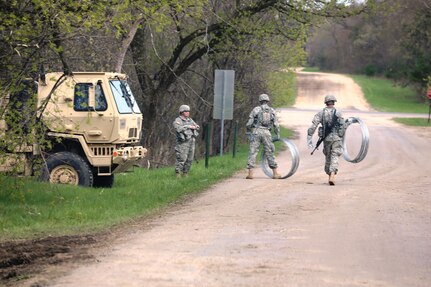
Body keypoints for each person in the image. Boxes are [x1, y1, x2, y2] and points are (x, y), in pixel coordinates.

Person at [307, 95, 346, 185]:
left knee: (328, 157)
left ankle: (329, 175)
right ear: (334, 102)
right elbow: (343, 126)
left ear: (326, 102)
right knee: (335, 155)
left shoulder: (321, 113)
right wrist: (340, 135)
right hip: (336, 138)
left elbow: (313, 125)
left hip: (326, 139)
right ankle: (332, 174)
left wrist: (309, 135)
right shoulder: (338, 113)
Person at [245, 93, 281, 179]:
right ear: (267, 100)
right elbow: (276, 124)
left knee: (253, 152)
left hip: (256, 132)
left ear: (260, 100)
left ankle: (250, 174)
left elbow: (249, 123)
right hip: (266, 133)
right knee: (269, 152)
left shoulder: (256, 109)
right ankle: (275, 173)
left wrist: (249, 131)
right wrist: (277, 133)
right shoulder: (272, 110)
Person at [173, 104, 200, 177]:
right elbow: (178, 128)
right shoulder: (178, 120)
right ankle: (178, 173)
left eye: (188, 111)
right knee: (182, 158)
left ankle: (185, 173)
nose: (188, 112)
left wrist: (195, 127)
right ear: (182, 112)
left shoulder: (190, 120)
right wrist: (188, 126)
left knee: (190, 158)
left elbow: (197, 127)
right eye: (186, 111)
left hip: (191, 141)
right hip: (183, 142)